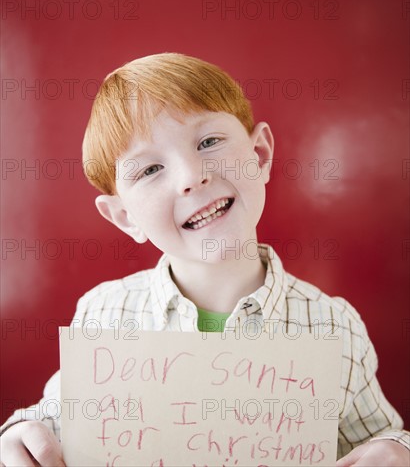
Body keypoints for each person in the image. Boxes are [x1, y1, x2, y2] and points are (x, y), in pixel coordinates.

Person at [1, 53, 409, 466]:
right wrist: (15, 436)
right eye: (150, 170)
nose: (191, 177)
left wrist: (398, 450)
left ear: (260, 154)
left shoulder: (335, 326)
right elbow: (45, 424)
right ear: (125, 217)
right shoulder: (103, 315)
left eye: (208, 142)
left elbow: (379, 437)